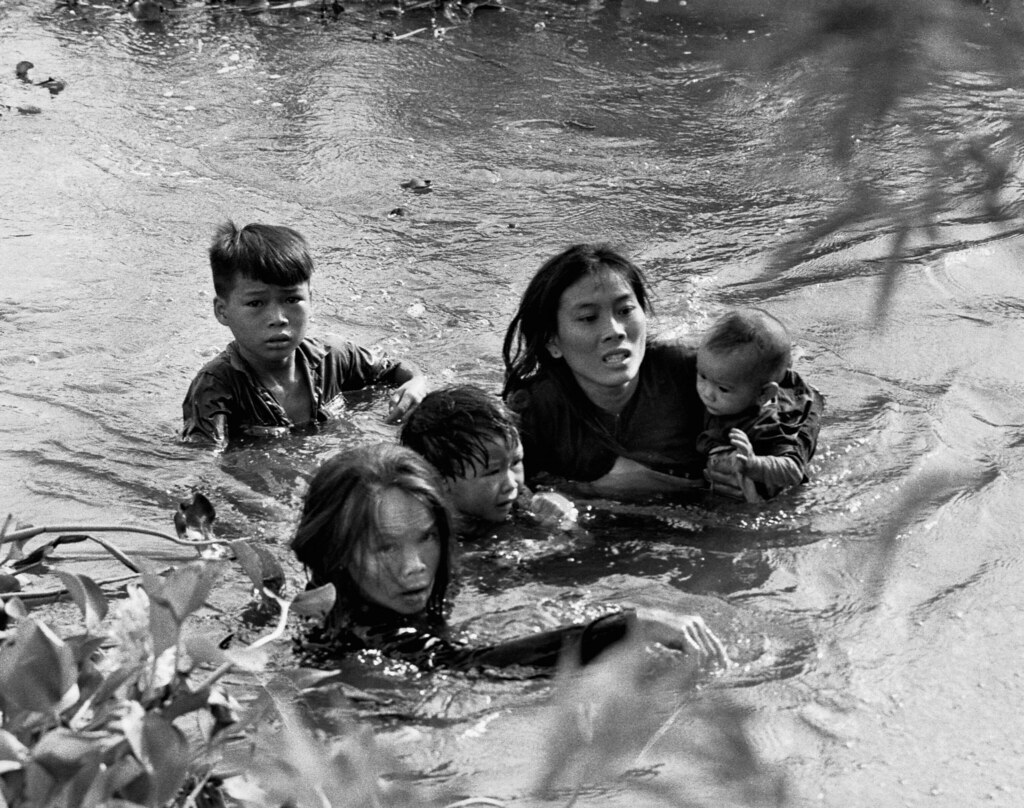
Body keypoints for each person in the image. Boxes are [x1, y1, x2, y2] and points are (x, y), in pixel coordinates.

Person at [290, 443, 729, 673]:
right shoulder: (359, 627)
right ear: (337, 554)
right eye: (385, 547)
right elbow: (463, 665)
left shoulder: (419, 574)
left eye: (426, 537)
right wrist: (621, 628)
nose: (415, 567)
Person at [181, 221, 428, 447]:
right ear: (222, 312)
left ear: (311, 301)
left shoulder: (333, 357)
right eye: (256, 304)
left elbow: (395, 370)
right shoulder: (215, 386)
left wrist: (416, 383)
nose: (278, 318)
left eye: (292, 299)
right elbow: (204, 463)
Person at [502, 243, 711, 498]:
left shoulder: (695, 372)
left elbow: (767, 406)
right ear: (553, 342)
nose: (615, 330)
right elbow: (500, 494)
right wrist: (585, 491)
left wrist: (752, 470)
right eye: (589, 318)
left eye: (625, 311)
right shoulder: (533, 412)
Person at [398, 384, 579, 538]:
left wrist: (565, 520)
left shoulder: (521, 499)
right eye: (493, 472)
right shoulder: (423, 533)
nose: (511, 483)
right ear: (438, 481)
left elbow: (584, 545)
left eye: (515, 462)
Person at [695, 308, 824, 502]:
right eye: (702, 376)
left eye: (722, 389)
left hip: (796, 403)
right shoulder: (720, 377)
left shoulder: (768, 425)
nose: (707, 393)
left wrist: (755, 464)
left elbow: (794, 471)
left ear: (763, 394)